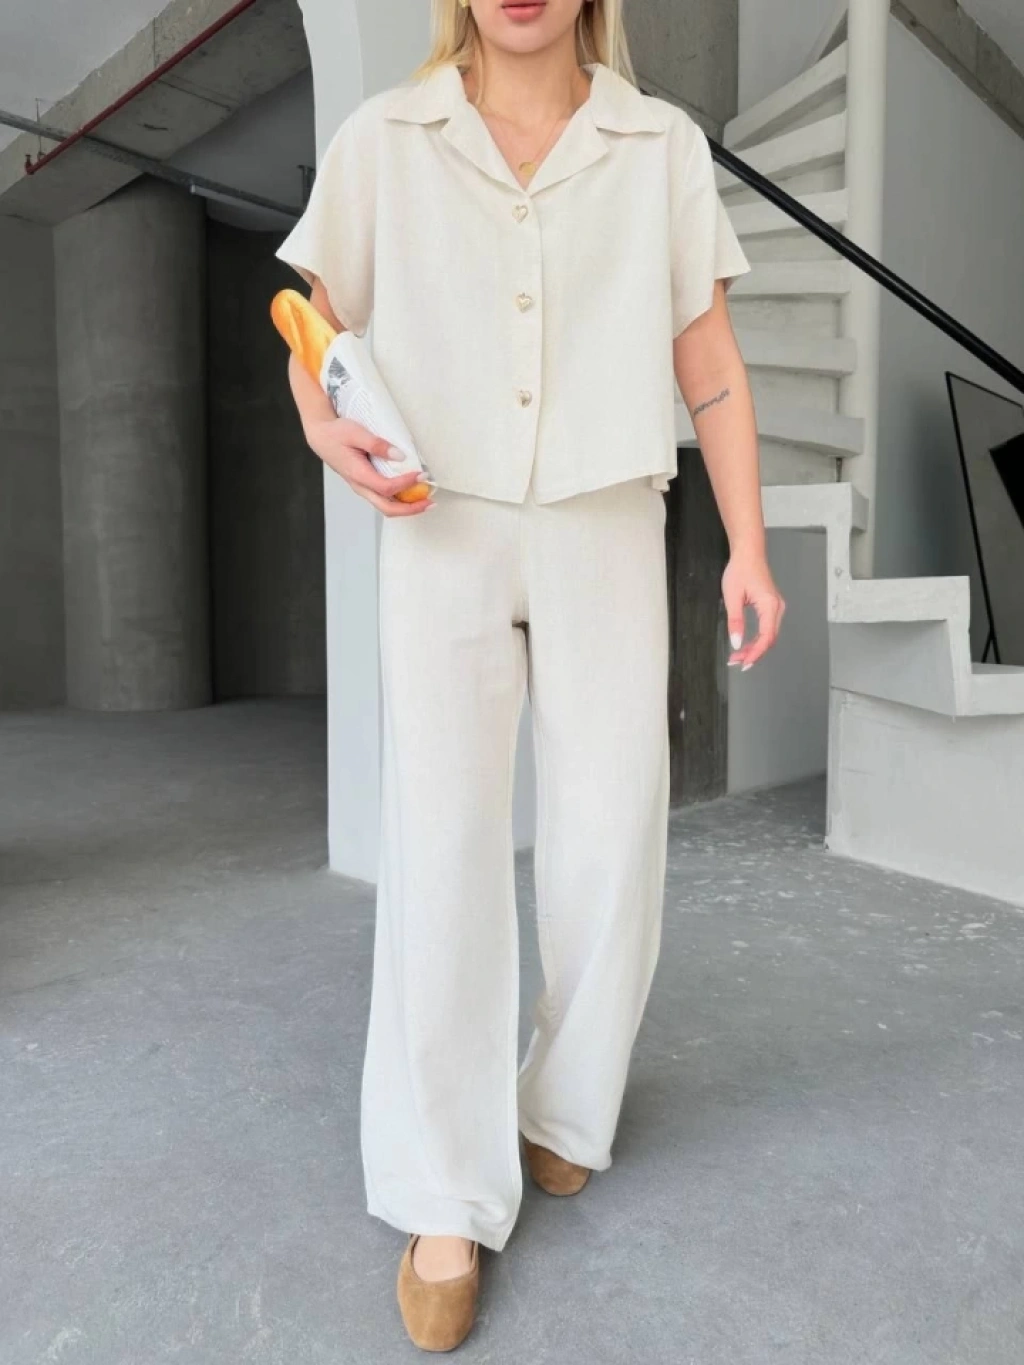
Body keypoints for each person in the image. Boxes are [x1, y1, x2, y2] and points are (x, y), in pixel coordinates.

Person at [277, 0, 785, 1351]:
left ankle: (563, 1103)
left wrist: (747, 543)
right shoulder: (386, 137)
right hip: (438, 528)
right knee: (440, 848)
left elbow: (709, 363)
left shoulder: (659, 145)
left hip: (605, 518)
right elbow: (314, 320)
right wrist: (324, 425)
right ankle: (443, 1191)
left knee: (613, 837)